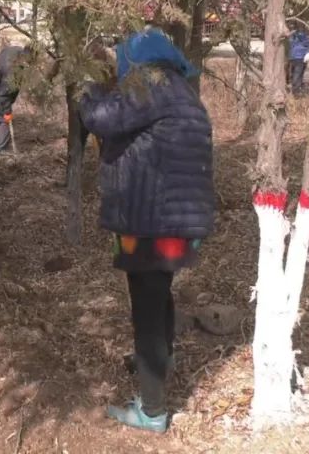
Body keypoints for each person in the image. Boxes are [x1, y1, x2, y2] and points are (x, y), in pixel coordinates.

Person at [80, 28, 215, 433]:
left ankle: (152, 409)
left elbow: (100, 119)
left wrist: (86, 88)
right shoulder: (182, 91)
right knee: (159, 293)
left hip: (152, 218)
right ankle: (157, 360)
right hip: (176, 219)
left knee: (148, 308)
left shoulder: (150, 87)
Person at [287, 26, 309, 96]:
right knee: (298, 74)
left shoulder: (293, 36)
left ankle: (295, 88)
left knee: (294, 74)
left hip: (293, 57)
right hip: (301, 57)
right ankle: (296, 91)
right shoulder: (306, 37)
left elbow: (290, 44)